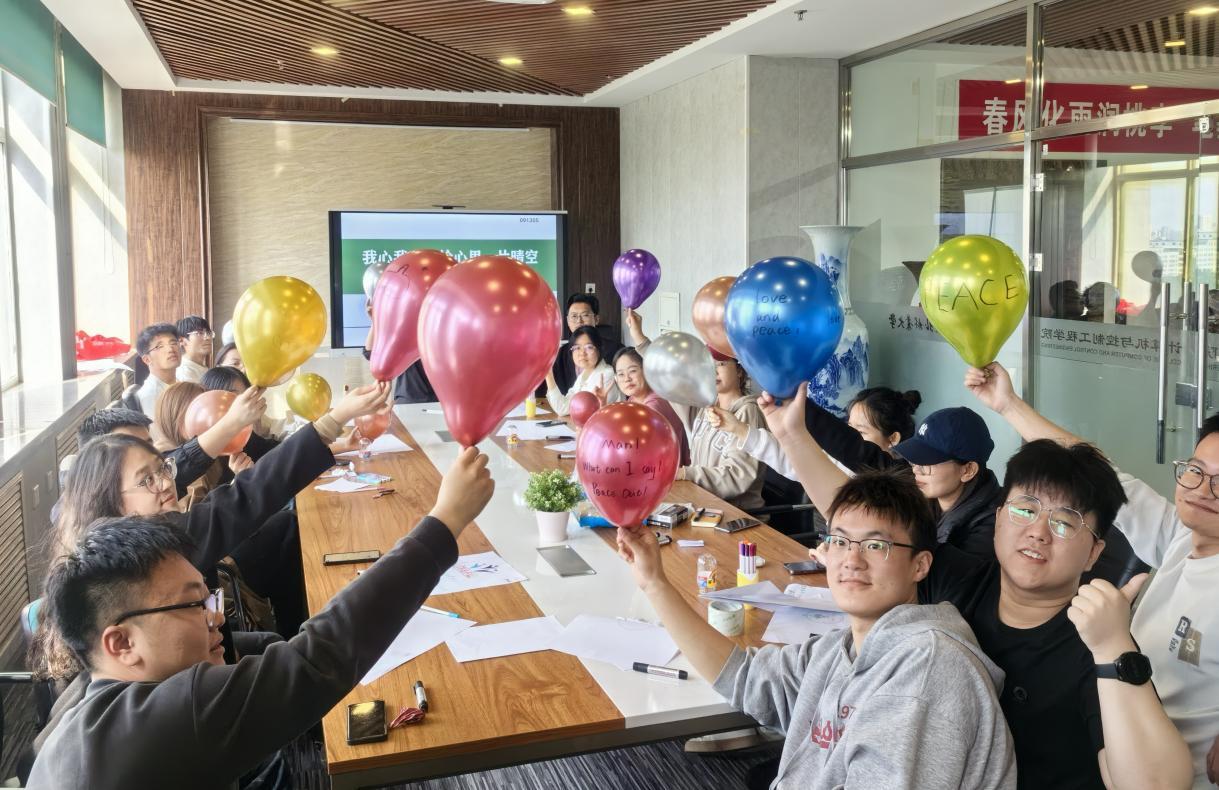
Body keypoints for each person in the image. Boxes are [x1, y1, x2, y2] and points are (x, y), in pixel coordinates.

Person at [26, 445, 494, 790]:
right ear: (121, 643)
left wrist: (274, 649)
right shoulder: (173, 717)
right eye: (193, 605)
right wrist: (445, 523)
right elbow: (317, 660)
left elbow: (275, 653)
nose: (215, 619)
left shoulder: (84, 701)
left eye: (208, 599)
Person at [615, 471, 1016, 788]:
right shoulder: (839, 649)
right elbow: (746, 677)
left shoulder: (927, 671)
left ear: (920, 565)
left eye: (876, 546)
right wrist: (654, 583)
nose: (852, 560)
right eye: (840, 541)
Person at [966, 361, 1219, 788]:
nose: (1202, 489)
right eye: (1196, 470)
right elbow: (1099, 474)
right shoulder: (1180, 535)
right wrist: (1008, 405)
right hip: (1114, 742)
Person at [916, 438, 1193, 790]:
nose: (1038, 532)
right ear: (999, 518)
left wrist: (1113, 647)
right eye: (1025, 510)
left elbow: (1157, 786)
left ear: (1093, 553)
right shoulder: (956, 580)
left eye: (1064, 522)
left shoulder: (1094, 645)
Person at [744, 387, 1001, 561]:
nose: (917, 468)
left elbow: (931, 577)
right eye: (916, 459)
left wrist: (851, 555)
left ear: (968, 470)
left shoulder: (990, 527)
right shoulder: (919, 485)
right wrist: (799, 405)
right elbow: (858, 452)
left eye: (929, 462)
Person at [75, 403, 261, 502]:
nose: (164, 483)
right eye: (132, 448)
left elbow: (187, 460)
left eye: (148, 445)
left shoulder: (161, 476)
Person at [680, 354, 767, 513]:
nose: (713, 371)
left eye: (720, 364)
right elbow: (672, 383)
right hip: (702, 506)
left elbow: (738, 476)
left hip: (737, 515)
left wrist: (687, 474)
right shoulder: (706, 408)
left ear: (739, 370)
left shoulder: (748, 412)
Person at [152, 381, 250, 507]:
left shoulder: (217, 451)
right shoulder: (167, 463)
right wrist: (238, 482)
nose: (205, 416)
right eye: (196, 410)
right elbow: (204, 513)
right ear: (173, 416)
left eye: (207, 408)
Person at [610, 347, 690, 465]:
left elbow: (634, 448)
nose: (627, 379)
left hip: (667, 470)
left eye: (632, 371)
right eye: (621, 374)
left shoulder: (655, 404)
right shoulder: (633, 399)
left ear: (646, 370)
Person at [547, 293, 624, 395]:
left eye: (585, 315)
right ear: (568, 321)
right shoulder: (560, 354)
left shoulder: (616, 350)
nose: (579, 321)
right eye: (574, 316)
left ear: (596, 319)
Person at [363, 300, 436, 403]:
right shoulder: (404, 330)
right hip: (409, 400)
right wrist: (376, 322)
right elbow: (370, 354)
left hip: (442, 401)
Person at [543, 325, 613, 416]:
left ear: (599, 349)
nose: (582, 353)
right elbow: (563, 408)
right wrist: (548, 374)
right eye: (577, 348)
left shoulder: (607, 374)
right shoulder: (584, 375)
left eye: (589, 347)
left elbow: (587, 413)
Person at [134, 323, 182, 416]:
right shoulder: (150, 395)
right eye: (160, 346)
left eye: (173, 343)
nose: (170, 349)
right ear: (147, 359)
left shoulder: (179, 382)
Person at [175, 315, 214, 383]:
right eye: (200, 333)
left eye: (208, 333)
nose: (208, 337)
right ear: (181, 341)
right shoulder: (184, 372)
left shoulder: (202, 368)